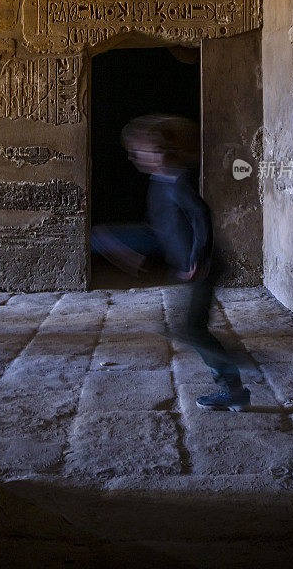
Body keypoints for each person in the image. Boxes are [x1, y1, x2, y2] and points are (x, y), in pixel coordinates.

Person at [91, 114, 250, 411]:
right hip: (195, 266)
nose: (133, 156)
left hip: (203, 267)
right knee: (190, 328)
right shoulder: (160, 182)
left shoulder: (177, 180)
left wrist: (197, 260)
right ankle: (234, 378)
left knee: (193, 329)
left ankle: (235, 383)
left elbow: (201, 217)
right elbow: (160, 229)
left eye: (138, 150)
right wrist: (123, 244)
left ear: (157, 151)